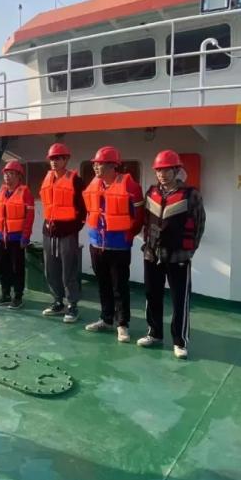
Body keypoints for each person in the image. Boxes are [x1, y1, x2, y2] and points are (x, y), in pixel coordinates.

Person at [137, 150, 205, 359]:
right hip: (152, 254)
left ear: (176, 170)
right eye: (159, 170)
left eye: (166, 170)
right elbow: (146, 221)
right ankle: (154, 333)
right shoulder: (151, 193)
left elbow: (199, 224)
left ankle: (180, 341)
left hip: (178, 256)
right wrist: (148, 246)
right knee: (152, 295)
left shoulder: (191, 195)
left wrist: (189, 251)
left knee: (179, 300)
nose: (162, 174)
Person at [83, 147, 144, 343]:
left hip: (118, 247)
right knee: (103, 285)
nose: (95, 167)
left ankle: (122, 324)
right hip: (97, 245)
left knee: (120, 287)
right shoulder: (95, 184)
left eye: (99, 164)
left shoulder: (130, 185)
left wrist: (128, 235)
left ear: (112, 165)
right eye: (94, 164)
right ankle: (106, 319)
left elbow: (139, 217)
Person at [40, 143, 86, 323]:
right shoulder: (47, 178)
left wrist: (74, 228)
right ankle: (57, 301)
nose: (54, 162)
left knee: (69, 270)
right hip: (49, 231)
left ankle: (72, 305)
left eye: (58, 158)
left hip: (67, 232)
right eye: (52, 159)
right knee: (50, 269)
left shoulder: (76, 180)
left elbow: (83, 209)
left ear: (66, 160)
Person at [0, 161, 35, 309]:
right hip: (1, 237)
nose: (7, 176)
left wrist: (25, 236)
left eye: (11, 174)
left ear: (18, 176)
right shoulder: (1, 191)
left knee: (17, 269)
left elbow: (29, 216)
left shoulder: (25, 192)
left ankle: (18, 297)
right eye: (6, 174)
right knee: (3, 268)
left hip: (16, 238)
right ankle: (5, 295)